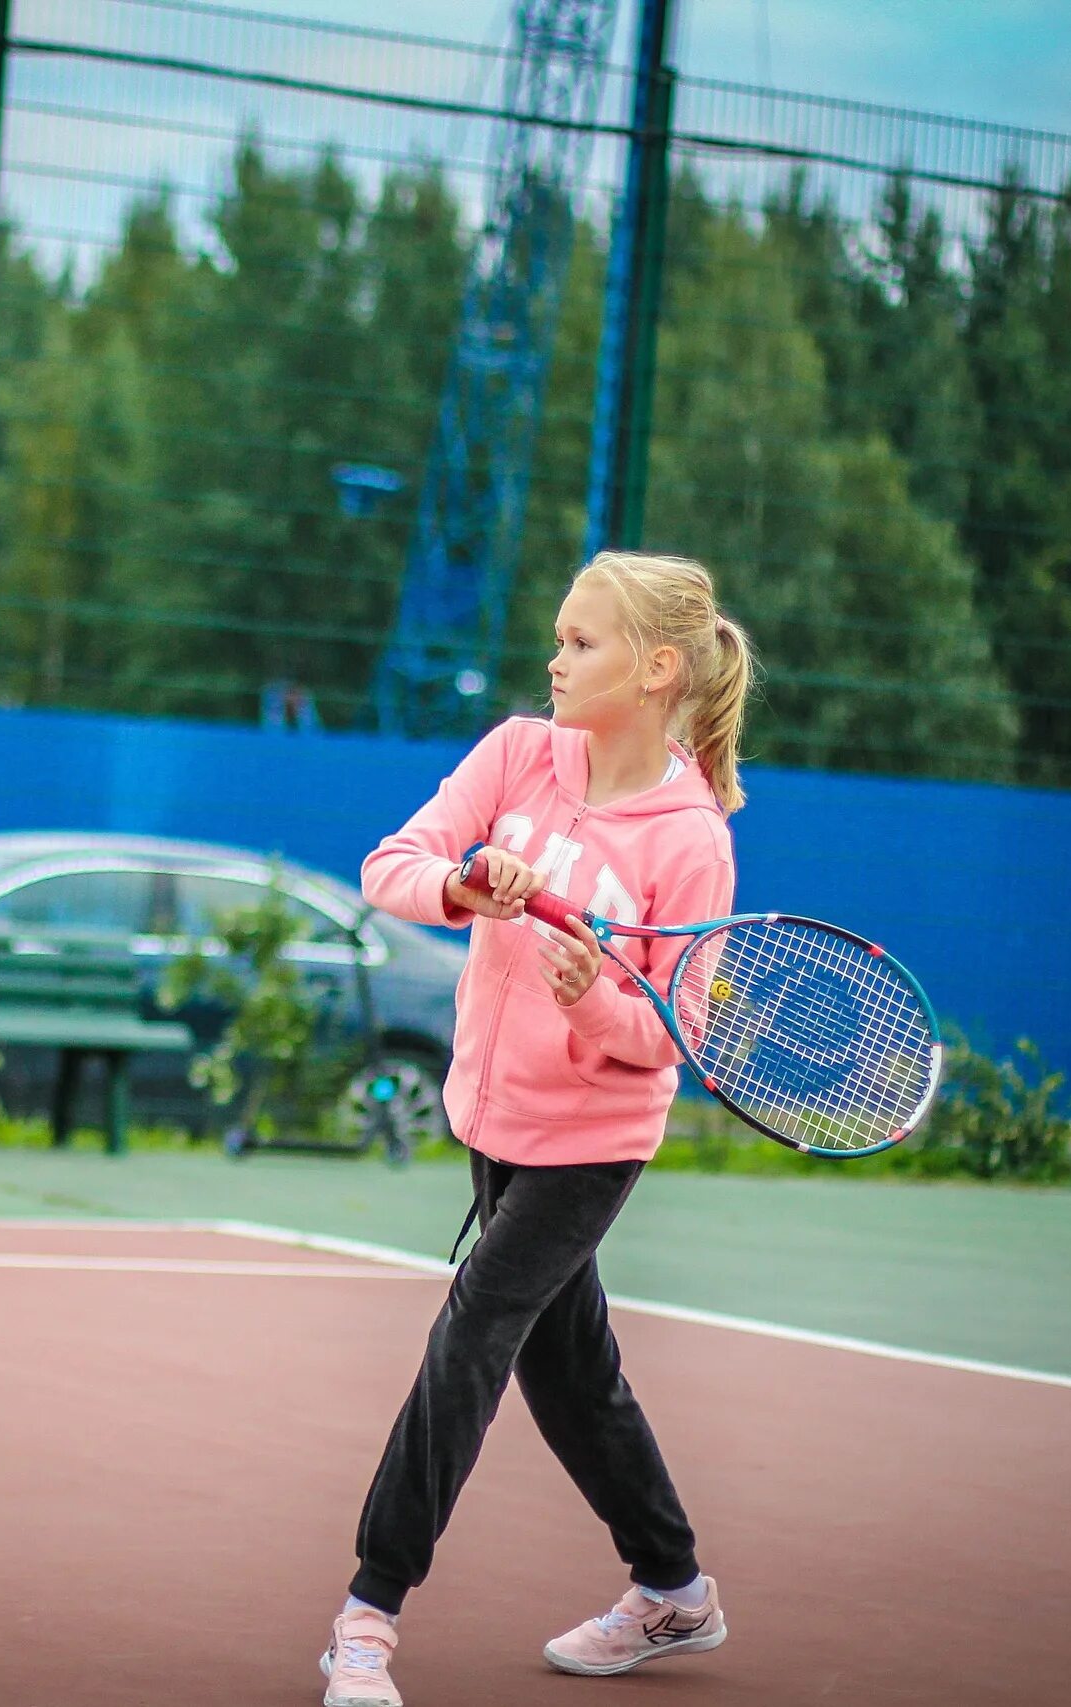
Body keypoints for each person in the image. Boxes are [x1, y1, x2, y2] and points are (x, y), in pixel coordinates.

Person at [319, 552, 756, 1707]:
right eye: (558, 639)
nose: (554, 660)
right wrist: (466, 884)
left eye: (581, 643)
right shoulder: (517, 754)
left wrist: (589, 997)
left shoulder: (690, 838)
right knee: (572, 1376)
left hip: (593, 1141)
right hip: (490, 1116)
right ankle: (673, 1588)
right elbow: (388, 866)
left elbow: (671, 1037)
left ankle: (366, 1617)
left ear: (656, 669)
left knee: (473, 1335)